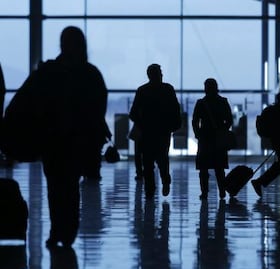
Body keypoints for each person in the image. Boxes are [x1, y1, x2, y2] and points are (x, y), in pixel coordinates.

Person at [8, 26, 108, 247]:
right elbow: (97, 108)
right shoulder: (90, 74)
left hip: (52, 140)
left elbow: (28, 101)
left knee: (55, 186)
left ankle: (57, 230)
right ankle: (67, 230)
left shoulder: (48, 71)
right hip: (75, 140)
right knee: (70, 186)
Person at [129, 64, 181, 199]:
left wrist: (141, 123)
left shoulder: (142, 91)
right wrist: (174, 125)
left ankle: (150, 191)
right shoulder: (168, 89)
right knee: (162, 157)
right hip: (163, 131)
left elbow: (133, 113)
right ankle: (165, 178)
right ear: (159, 75)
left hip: (147, 132)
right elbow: (176, 109)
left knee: (147, 162)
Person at [192, 78, 233, 200]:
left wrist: (198, 134)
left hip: (205, 137)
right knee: (219, 168)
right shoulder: (223, 102)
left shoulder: (201, 103)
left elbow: (195, 121)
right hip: (218, 138)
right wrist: (223, 130)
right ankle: (222, 191)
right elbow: (229, 120)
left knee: (203, 168)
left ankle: (204, 192)